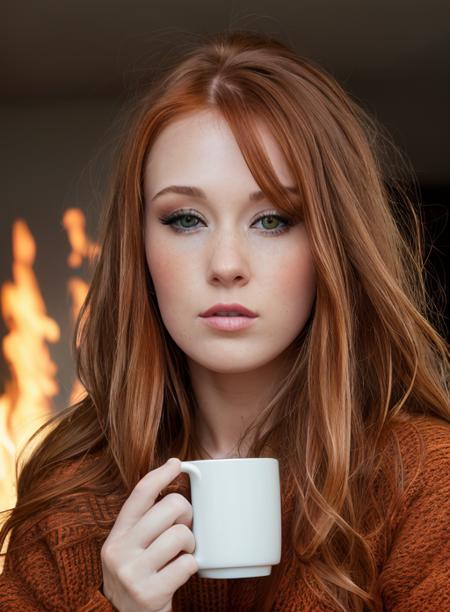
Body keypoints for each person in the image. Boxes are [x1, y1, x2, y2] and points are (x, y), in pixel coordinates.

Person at [0, 29, 449, 612]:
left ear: (333, 245)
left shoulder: (424, 485)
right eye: (185, 219)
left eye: (273, 220)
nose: (227, 266)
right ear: (140, 247)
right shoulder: (68, 498)